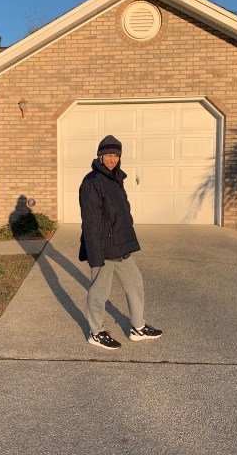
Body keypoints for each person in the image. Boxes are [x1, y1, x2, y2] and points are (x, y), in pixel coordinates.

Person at [79, 135, 162, 350]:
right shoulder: (92, 182)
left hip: (121, 245)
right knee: (99, 292)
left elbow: (121, 212)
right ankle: (96, 332)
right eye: (108, 155)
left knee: (135, 284)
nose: (112, 159)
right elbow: (91, 221)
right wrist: (95, 254)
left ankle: (138, 328)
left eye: (116, 155)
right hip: (103, 248)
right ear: (100, 155)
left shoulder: (115, 179)